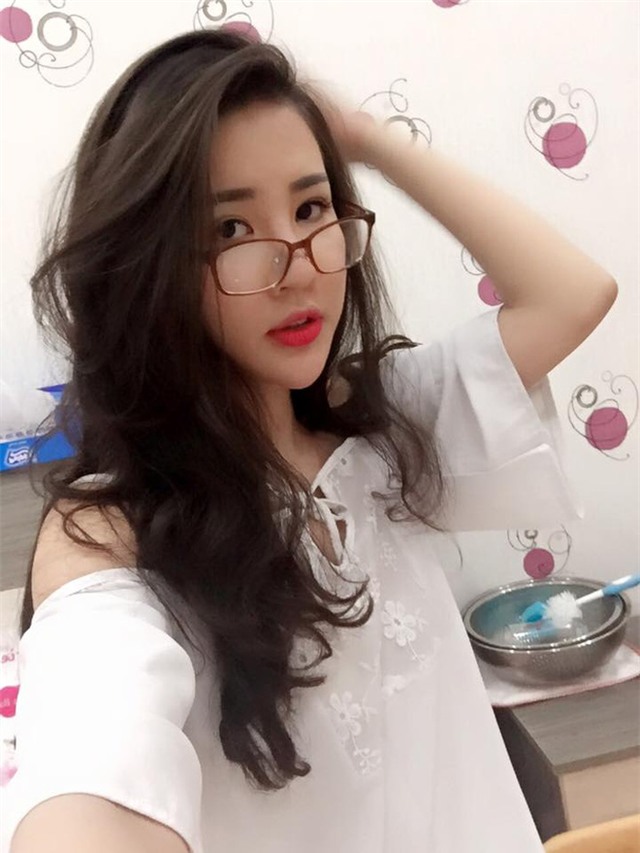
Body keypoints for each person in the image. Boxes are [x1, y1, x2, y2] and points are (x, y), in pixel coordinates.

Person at [2, 28, 616, 853]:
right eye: (230, 229)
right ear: (145, 264)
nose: (296, 266)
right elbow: (92, 757)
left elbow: (573, 293)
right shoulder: (111, 529)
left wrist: (365, 140)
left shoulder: (380, 430)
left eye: (311, 208)